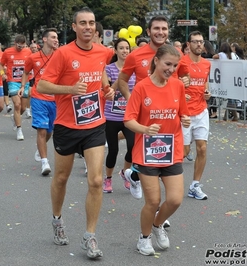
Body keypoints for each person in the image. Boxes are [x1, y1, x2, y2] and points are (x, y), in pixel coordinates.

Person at [37, 7, 114, 259]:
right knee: (61, 178)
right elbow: (43, 84)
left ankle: (89, 236)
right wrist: (70, 89)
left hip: (94, 123)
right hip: (67, 125)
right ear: (74, 27)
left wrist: (107, 89)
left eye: (91, 23)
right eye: (83, 23)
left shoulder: (103, 51)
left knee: (95, 180)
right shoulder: (63, 53)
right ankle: (57, 219)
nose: (88, 27)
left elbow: (100, 71)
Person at [123, 44, 190, 256]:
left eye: (175, 65)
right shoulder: (142, 87)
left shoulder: (178, 86)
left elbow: (182, 113)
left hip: (172, 149)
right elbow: (128, 120)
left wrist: (185, 119)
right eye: (167, 64)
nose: (171, 69)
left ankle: (157, 224)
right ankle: (144, 239)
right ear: (156, 61)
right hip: (147, 151)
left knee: (175, 199)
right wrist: (145, 129)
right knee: (152, 201)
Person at [118, 15, 189, 200]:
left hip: (167, 115)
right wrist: (132, 100)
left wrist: (186, 82)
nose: (160, 32)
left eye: (164, 29)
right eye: (156, 28)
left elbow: (183, 77)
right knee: (139, 151)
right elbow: (122, 81)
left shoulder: (176, 55)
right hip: (144, 115)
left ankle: (135, 176)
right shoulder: (135, 55)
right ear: (148, 32)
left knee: (163, 160)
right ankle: (150, 198)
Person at [178, 31, 211, 200]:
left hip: (201, 110)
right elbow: (169, 82)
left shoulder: (206, 64)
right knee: (183, 152)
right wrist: (181, 92)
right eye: (195, 42)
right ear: (188, 44)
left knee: (202, 148)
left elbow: (205, 81)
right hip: (184, 113)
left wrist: (207, 92)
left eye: (201, 41)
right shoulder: (181, 62)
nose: (199, 44)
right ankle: (154, 172)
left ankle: (195, 185)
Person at [22, 28, 58, 176]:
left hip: (56, 99)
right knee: (42, 130)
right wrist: (23, 87)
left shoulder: (60, 56)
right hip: (38, 97)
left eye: (57, 38)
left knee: (50, 130)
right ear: (44, 39)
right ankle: (45, 162)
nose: (56, 40)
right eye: (53, 37)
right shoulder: (33, 57)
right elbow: (25, 72)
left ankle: (40, 147)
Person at [102, 38, 135, 193]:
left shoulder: (134, 69)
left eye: (127, 48)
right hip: (111, 116)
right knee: (113, 151)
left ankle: (125, 173)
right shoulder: (108, 69)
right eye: (121, 48)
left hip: (129, 116)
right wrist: (121, 77)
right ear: (115, 51)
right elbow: (108, 92)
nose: (124, 51)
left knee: (133, 147)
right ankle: (108, 179)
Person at [0, 34, 32, 140]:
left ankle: (15, 117)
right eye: (19, 46)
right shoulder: (7, 52)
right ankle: (19, 129)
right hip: (12, 81)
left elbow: (31, 64)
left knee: (23, 107)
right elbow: (1, 64)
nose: (21, 48)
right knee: (17, 105)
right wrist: (2, 73)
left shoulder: (28, 52)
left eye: (23, 46)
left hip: (25, 81)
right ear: (15, 43)